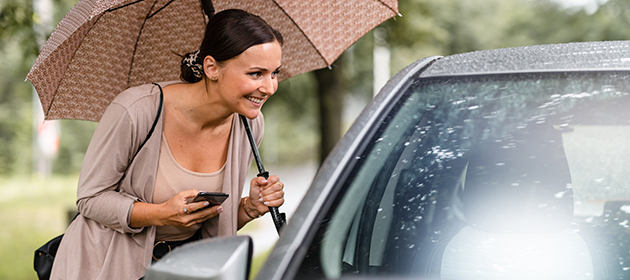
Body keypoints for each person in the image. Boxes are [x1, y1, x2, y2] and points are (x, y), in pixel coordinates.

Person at [50, 9, 285, 280]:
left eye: (274, 73)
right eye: (256, 74)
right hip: (104, 266)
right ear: (211, 68)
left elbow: (211, 223)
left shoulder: (250, 124)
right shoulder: (136, 110)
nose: (269, 87)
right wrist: (160, 214)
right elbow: (90, 199)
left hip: (179, 271)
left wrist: (248, 208)